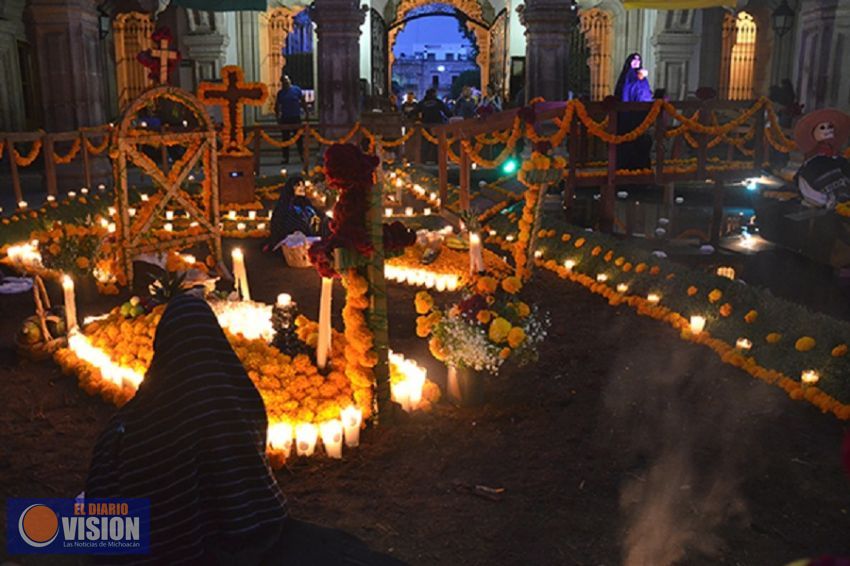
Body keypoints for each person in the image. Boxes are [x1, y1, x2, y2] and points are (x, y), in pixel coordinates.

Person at [86, 294, 405, 565]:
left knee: (59, 527)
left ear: (162, 345)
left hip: (170, 545)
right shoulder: (241, 400)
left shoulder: (132, 424)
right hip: (248, 527)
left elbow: (105, 501)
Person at [792, 108, 850, 208]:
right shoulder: (815, 161)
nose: (827, 130)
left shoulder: (837, 158)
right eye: (822, 128)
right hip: (826, 202)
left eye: (830, 127)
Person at [263, 176, 327, 252]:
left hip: (307, 237)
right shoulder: (285, 205)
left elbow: (319, 214)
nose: (301, 188)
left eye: (303, 185)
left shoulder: (306, 203)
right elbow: (279, 224)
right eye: (298, 185)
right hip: (291, 238)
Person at [613, 53, 653, 170]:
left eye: (638, 60)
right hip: (627, 117)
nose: (636, 62)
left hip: (640, 115)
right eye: (633, 60)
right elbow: (624, 92)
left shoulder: (642, 78)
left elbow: (645, 93)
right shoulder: (628, 76)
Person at [275, 74, 306, 164]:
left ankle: (302, 156)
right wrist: (277, 117)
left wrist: (306, 113)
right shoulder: (281, 93)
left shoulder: (296, 90)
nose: (286, 83)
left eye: (287, 81)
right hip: (285, 118)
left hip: (295, 117)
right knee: (285, 138)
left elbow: (303, 101)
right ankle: (285, 157)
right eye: (284, 82)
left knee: (299, 138)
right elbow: (277, 106)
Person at [417, 88, 450, 162]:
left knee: (425, 144)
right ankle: (438, 159)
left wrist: (418, 119)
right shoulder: (438, 102)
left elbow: (414, 112)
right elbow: (447, 112)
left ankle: (423, 160)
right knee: (438, 143)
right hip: (437, 125)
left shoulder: (422, 103)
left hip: (425, 125)